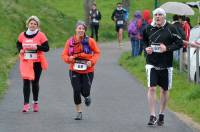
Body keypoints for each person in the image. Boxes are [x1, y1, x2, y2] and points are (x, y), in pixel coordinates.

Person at [143, 8, 183, 126]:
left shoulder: (171, 28)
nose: (158, 17)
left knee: (164, 90)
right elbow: (144, 41)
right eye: (155, 15)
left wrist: (167, 48)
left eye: (160, 15)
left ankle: (161, 114)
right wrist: (146, 49)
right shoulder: (148, 28)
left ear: (164, 16)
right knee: (152, 88)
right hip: (151, 63)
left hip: (166, 64)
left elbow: (179, 43)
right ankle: (152, 115)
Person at [61, 20, 100, 120]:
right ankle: (79, 112)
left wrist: (91, 61)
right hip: (74, 70)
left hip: (88, 70)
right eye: (79, 28)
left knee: (85, 91)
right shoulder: (70, 42)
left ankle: (87, 96)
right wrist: (68, 59)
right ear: (76, 29)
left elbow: (97, 53)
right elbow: (64, 55)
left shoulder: (90, 41)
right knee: (76, 90)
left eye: (83, 29)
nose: (81, 30)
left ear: (85, 30)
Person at [16, 16, 49, 112]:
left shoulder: (41, 35)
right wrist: (20, 50)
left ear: (37, 26)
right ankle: (26, 104)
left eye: (35, 24)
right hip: (26, 62)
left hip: (37, 62)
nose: (33, 25)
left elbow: (47, 48)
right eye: (31, 23)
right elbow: (18, 43)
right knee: (26, 82)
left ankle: (35, 102)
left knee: (34, 83)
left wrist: (37, 47)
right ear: (28, 24)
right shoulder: (22, 35)